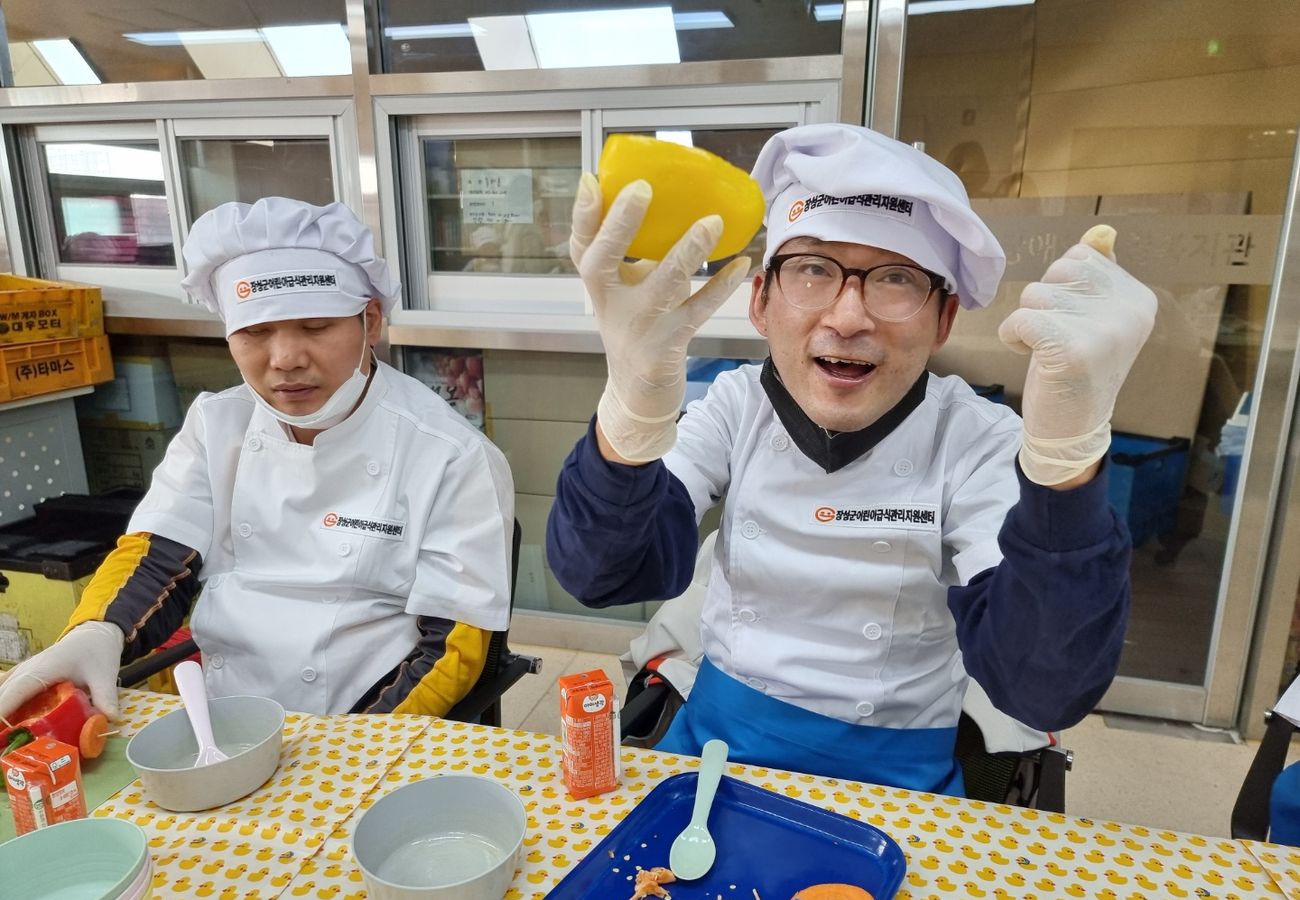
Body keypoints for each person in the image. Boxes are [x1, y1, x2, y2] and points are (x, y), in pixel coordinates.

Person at [546, 123, 1157, 794]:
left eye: (895, 279)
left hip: (897, 784)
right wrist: (629, 414)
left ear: (944, 319)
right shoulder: (736, 404)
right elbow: (601, 573)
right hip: (712, 751)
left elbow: (1043, 687)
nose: (847, 317)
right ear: (760, 301)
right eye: (812, 270)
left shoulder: (975, 439)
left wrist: (1065, 469)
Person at [0, 197, 515, 721]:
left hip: (368, 717)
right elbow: (158, 552)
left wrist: (352, 745)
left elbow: (451, 643)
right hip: (226, 716)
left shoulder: (451, 454)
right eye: (254, 332)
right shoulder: (217, 424)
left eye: (316, 326)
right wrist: (97, 629)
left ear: (371, 321)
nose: (285, 359)